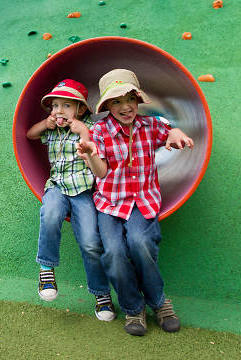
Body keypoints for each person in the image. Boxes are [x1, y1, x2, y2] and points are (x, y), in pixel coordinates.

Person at [77, 69, 194, 336]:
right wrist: (91, 155)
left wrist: (174, 133)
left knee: (140, 243)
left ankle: (159, 302)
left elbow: (168, 131)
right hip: (110, 204)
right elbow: (101, 172)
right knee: (115, 253)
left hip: (142, 201)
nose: (124, 107)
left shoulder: (150, 126)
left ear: (138, 100)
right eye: (116, 102)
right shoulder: (100, 131)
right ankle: (133, 307)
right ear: (106, 106)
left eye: (129, 99)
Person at [26, 79, 115, 322]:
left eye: (66, 106)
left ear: (81, 110)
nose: (59, 111)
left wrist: (83, 132)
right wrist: (45, 123)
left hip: (84, 192)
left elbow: (99, 153)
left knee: (90, 242)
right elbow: (29, 135)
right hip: (57, 187)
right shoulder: (52, 128)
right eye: (55, 106)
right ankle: (46, 270)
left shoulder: (91, 126)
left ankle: (101, 294)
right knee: (51, 213)